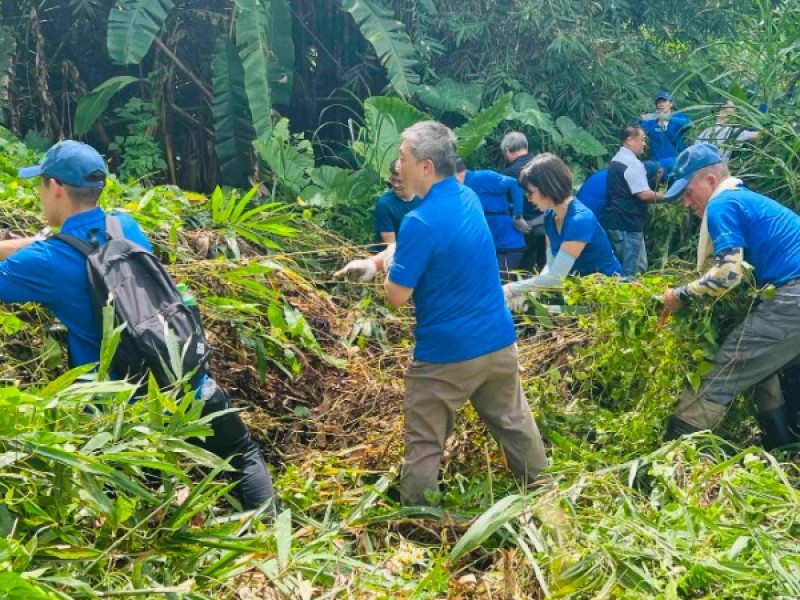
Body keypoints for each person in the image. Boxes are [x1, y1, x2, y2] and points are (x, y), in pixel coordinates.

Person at [1, 141, 276, 511]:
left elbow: (46, 255)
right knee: (242, 454)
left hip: (120, 422)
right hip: (186, 383)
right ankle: (273, 540)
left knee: (131, 512)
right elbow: (66, 244)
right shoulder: (124, 226)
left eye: (40, 186)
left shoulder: (44, 261)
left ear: (55, 188)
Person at [334, 121, 547, 505]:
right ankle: (545, 499)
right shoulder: (466, 198)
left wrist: (382, 277)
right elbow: (429, 248)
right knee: (516, 426)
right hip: (498, 344)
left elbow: (396, 298)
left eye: (403, 158)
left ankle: (419, 528)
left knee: (425, 444)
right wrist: (378, 261)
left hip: (447, 358)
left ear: (427, 167)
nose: (398, 166)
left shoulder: (418, 221)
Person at [660, 143, 800, 449]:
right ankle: (784, 447)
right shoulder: (748, 200)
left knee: (724, 369)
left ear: (710, 181)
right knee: (768, 368)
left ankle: (671, 458)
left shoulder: (723, 203)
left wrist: (680, 294)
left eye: (687, 192)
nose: (686, 203)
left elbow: (729, 273)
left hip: (794, 297)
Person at [504, 154, 623, 310]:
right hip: (582, 294)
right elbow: (552, 266)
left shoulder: (580, 220)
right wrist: (532, 294)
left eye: (530, 192)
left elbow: (556, 278)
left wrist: (510, 289)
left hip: (609, 294)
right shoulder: (549, 216)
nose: (528, 198)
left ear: (548, 187)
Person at [603, 124, 667, 275]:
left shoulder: (616, 160)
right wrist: (668, 197)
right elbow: (643, 194)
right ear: (630, 140)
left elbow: (627, 191)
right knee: (634, 271)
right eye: (642, 139)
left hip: (616, 222)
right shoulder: (632, 163)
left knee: (623, 269)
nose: (644, 144)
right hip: (628, 224)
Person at [455, 159, 526, 281]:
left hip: (508, 246)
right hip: (489, 247)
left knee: (499, 286)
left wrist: (518, 215)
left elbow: (514, 184)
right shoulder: (458, 191)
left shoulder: (482, 178)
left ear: (458, 174)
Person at [501, 131, 545, 271]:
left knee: (524, 270)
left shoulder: (510, 173)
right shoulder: (543, 165)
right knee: (546, 267)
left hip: (526, 228)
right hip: (548, 222)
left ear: (508, 151)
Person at [577, 161, 662, 218]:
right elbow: (643, 196)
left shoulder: (616, 171)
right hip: (591, 214)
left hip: (577, 208)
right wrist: (665, 197)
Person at [639, 91, 693, 177]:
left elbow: (690, 124)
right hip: (657, 166)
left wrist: (667, 117)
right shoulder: (652, 122)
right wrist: (646, 117)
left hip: (677, 163)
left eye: (664, 101)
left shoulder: (679, 117)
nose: (661, 104)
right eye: (658, 102)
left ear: (671, 104)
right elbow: (636, 128)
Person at [373, 159, 422, 249]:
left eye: (400, 181)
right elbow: (391, 246)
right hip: (390, 256)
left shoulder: (423, 198)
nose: (395, 185)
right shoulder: (385, 204)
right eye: (393, 180)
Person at [695, 100, 760, 162]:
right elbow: (759, 135)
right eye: (732, 108)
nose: (735, 111)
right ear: (722, 110)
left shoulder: (705, 132)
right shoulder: (730, 131)